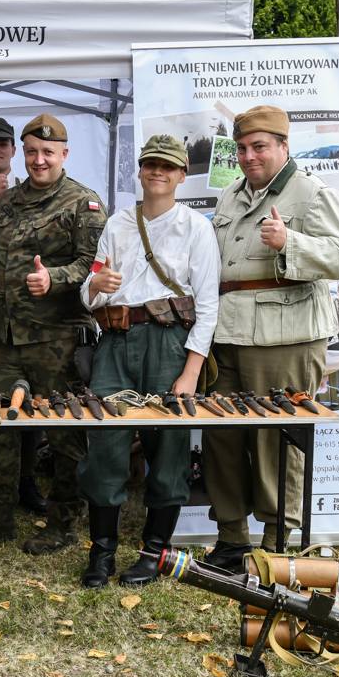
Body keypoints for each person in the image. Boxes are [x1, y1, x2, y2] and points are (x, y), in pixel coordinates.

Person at [203, 105, 339, 571]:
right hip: (226, 333)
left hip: (285, 336)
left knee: (275, 441)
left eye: (259, 147)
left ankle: (276, 543)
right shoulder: (231, 195)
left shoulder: (309, 193)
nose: (249, 156)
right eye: (243, 148)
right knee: (220, 437)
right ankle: (231, 539)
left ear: (284, 147)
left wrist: (289, 241)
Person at [77, 135, 219, 587]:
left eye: (167, 166)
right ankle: (102, 553)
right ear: (140, 171)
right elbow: (89, 288)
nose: (157, 172)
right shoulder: (118, 224)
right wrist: (96, 288)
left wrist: (191, 370)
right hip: (116, 342)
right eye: (149, 165)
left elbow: (209, 305)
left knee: (169, 447)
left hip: (168, 343)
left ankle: (154, 552)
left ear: (180, 175)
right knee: (105, 443)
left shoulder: (196, 228)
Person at [0, 113, 104, 554]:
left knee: (65, 432)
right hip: (7, 337)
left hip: (57, 338)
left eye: (47, 152)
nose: (38, 160)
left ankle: (64, 521)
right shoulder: (7, 203)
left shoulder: (82, 203)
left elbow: (93, 265)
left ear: (64, 154)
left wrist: (55, 277)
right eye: (31, 151)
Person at [0, 115, 47, 516]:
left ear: (14, 150)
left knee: (28, 401)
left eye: (3, 143)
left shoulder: (25, 193)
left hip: (23, 317)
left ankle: (27, 481)